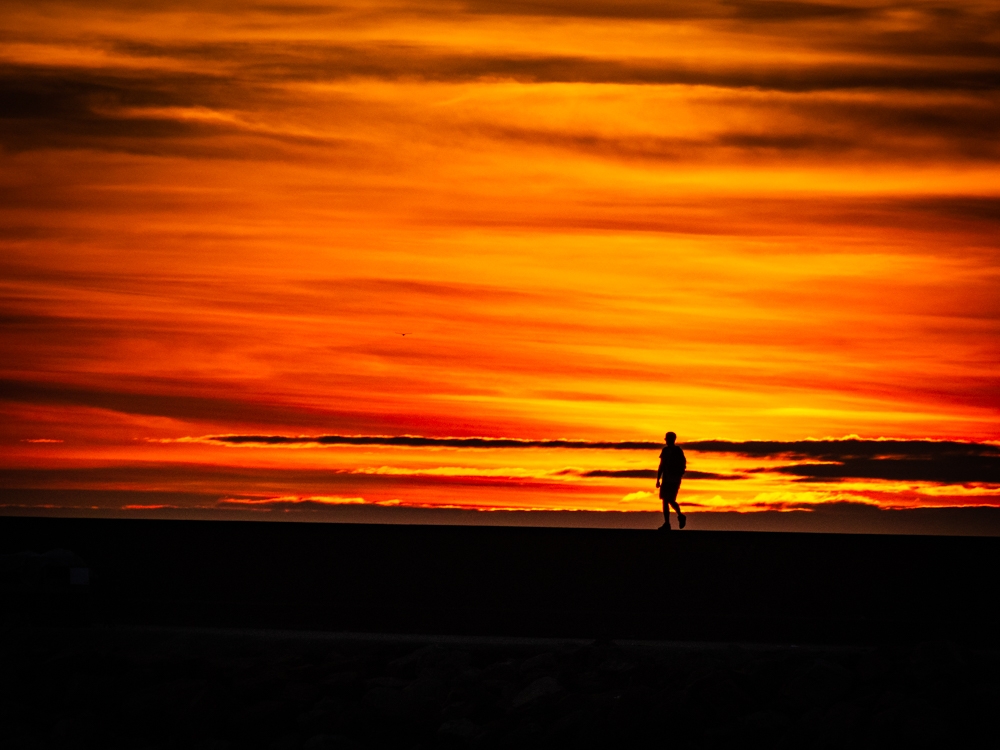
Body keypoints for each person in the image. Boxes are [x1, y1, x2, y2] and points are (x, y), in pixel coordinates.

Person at [656, 431, 687, 530]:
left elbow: (661, 465)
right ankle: (667, 523)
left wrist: (658, 479)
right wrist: (658, 479)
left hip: (672, 479)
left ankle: (679, 516)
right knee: (666, 500)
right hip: (669, 479)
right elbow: (662, 466)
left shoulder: (669, 451)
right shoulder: (676, 450)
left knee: (669, 500)